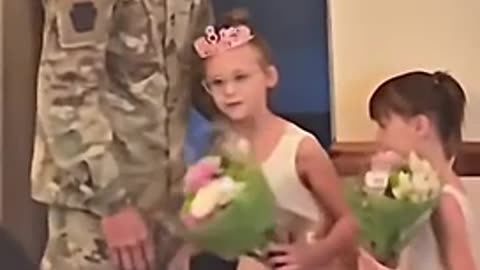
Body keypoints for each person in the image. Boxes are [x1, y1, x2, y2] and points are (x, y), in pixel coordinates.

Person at [31, 0, 216, 269]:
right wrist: (113, 205)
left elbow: (203, 72)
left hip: (170, 206)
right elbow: (66, 99)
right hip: (98, 215)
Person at [192, 8, 359, 270]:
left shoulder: (300, 148)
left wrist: (314, 255)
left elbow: (349, 222)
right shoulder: (221, 147)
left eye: (241, 78)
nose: (230, 91)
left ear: (269, 77)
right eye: (218, 82)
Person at [359, 71, 478, 270]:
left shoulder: (444, 199)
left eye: (383, 126)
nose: (378, 138)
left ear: (419, 126)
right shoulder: (420, 189)